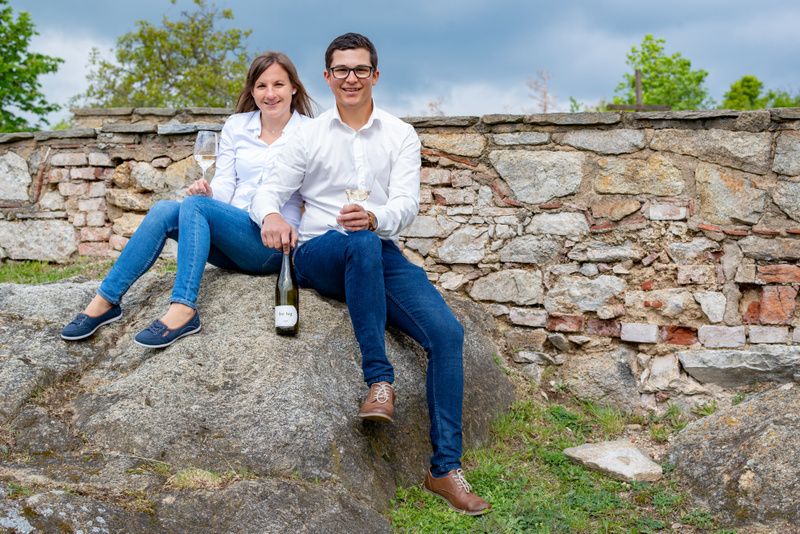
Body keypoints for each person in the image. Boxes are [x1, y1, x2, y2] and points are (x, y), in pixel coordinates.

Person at [251, 33, 491, 516]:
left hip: (378, 246)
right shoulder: (307, 134)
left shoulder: (400, 134)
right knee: (354, 239)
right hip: (322, 252)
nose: (351, 78)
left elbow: (407, 203)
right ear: (327, 77)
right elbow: (268, 191)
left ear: (375, 75)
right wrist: (272, 217)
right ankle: (379, 380)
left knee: (447, 334)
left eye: (360, 69)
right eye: (341, 70)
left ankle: (444, 468)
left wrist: (376, 217)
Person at [61, 51, 314, 348]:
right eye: (261, 86)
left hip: (271, 246)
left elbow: (317, 195)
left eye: (278, 85)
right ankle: (106, 300)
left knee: (193, 207)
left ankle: (183, 308)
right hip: (232, 237)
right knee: (166, 209)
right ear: (252, 90)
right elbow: (226, 182)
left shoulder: (310, 132)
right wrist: (209, 195)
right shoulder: (237, 125)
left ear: (294, 87)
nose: (270, 94)